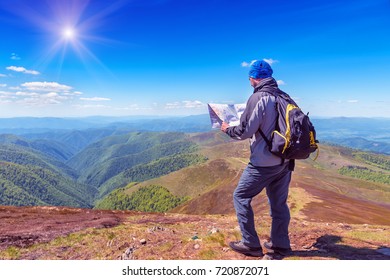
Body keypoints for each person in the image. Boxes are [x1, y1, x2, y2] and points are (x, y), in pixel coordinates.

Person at [221, 59, 292, 257]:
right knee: (279, 203)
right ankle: (281, 244)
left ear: (253, 78)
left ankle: (250, 244)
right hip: (285, 161)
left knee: (241, 196)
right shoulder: (283, 96)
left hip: (264, 162)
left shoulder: (258, 97)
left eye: (249, 77)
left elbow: (244, 131)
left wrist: (227, 129)